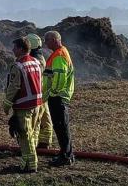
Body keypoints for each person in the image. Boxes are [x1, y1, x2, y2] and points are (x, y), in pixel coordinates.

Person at [3, 37, 44, 173]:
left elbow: (13, 87)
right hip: (37, 104)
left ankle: (31, 166)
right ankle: (25, 164)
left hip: (24, 106)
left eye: (14, 48)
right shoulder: (36, 62)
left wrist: (6, 104)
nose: (13, 50)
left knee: (25, 137)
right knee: (31, 134)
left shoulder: (18, 66)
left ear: (21, 49)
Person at [43, 30, 75, 166]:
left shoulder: (59, 56)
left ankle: (66, 156)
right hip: (59, 97)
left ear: (55, 40)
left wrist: (53, 93)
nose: (45, 43)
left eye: (47, 40)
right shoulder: (59, 53)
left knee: (61, 126)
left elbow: (60, 78)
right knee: (61, 126)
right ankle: (66, 153)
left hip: (58, 97)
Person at [25, 33, 53, 149]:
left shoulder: (36, 60)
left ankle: (33, 145)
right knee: (45, 116)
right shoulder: (40, 57)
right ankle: (45, 141)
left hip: (38, 93)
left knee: (36, 121)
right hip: (42, 92)